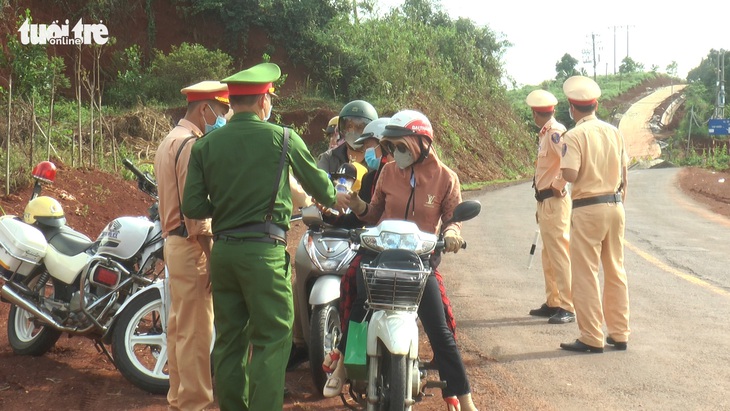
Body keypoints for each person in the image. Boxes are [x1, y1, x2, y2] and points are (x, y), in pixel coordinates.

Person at [181, 62, 346, 410]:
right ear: (262, 101)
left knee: (229, 342)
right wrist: (335, 196)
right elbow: (323, 190)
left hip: (224, 252)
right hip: (264, 254)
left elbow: (193, 206)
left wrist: (229, 205)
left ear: (233, 102)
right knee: (272, 339)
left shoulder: (205, 145)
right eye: (270, 97)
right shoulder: (283, 138)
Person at [326, 110, 479, 410]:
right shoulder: (387, 172)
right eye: (393, 146)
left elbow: (453, 219)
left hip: (419, 261)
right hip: (381, 255)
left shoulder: (446, 178)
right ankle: (342, 363)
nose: (395, 152)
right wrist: (358, 204)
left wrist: (451, 234)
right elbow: (373, 213)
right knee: (355, 298)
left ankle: (464, 399)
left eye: (400, 145)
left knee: (441, 328)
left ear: (421, 143)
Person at [153, 80, 228, 410]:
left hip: (174, 243)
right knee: (197, 332)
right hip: (191, 244)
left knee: (180, 327)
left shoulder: (169, 140)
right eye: (222, 111)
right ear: (204, 109)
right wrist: (212, 257)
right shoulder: (191, 146)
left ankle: (179, 399)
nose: (223, 118)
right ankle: (195, 403)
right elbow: (195, 212)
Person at [558, 76, 630, 354]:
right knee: (615, 269)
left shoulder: (573, 136)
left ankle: (591, 336)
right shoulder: (614, 132)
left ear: (572, 109)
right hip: (615, 205)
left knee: (585, 272)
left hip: (588, 207)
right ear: (595, 105)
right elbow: (625, 173)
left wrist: (564, 169)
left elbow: (571, 174)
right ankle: (620, 332)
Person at [525, 90, 575, 324]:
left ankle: (568, 305)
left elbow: (569, 160)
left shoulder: (555, 134)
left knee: (559, 253)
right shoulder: (546, 134)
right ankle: (553, 301)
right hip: (545, 201)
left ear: (536, 114)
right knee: (548, 254)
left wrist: (558, 185)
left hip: (555, 201)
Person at [317, 100, 378, 174]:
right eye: (349, 126)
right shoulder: (329, 158)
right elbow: (320, 183)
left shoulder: (377, 161)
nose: (353, 131)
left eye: (359, 127)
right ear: (342, 129)